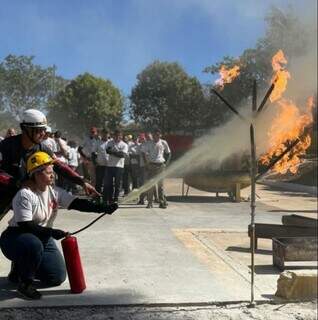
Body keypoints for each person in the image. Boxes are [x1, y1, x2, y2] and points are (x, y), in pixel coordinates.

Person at [0, 151, 118, 300]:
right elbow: (25, 226)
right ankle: (25, 284)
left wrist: (103, 208)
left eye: (52, 172)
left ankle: (21, 267)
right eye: (48, 172)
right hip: (16, 237)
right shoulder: (25, 194)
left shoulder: (54, 191)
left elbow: (77, 203)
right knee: (33, 245)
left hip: (41, 236)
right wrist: (52, 232)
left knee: (56, 277)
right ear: (36, 174)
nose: (53, 175)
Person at [0, 109, 99, 222]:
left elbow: (60, 167)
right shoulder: (6, 146)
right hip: (3, 192)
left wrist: (82, 182)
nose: (43, 134)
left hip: (26, 193)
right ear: (25, 129)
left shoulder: (43, 148)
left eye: (44, 130)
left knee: (29, 228)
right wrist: (18, 183)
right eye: (38, 130)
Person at [142, 129, 171, 209]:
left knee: (160, 185)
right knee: (150, 185)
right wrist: (146, 163)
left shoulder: (163, 142)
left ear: (160, 135)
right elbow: (143, 152)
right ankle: (150, 203)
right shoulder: (148, 143)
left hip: (161, 165)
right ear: (153, 135)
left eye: (158, 135)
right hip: (151, 165)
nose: (156, 136)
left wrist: (166, 163)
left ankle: (161, 202)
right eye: (154, 135)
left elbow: (168, 153)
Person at [103, 130, 128, 205]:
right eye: (116, 135)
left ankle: (115, 198)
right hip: (110, 166)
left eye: (119, 136)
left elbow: (122, 155)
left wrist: (112, 152)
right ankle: (110, 199)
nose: (117, 137)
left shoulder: (124, 145)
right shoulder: (110, 142)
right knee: (109, 184)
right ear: (113, 136)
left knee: (117, 184)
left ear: (121, 136)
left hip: (119, 166)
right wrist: (116, 153)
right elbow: (107, 151)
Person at [95, 129, 110, 193]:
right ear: (101, 134)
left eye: (106, 133)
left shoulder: (111, 142)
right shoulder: (97, 142)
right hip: (100, 165)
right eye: (103, 134)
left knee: (108, 181)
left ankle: (106, 194)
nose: (105, 135)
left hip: (109, 165)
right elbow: (93, 153)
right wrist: (95, 162)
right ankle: (97, 194)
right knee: (99, 180)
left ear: (108, 134)